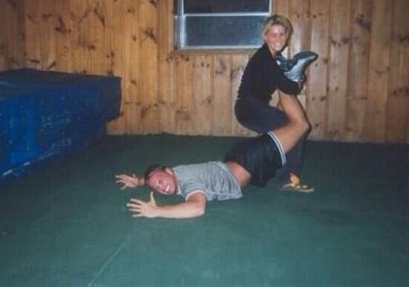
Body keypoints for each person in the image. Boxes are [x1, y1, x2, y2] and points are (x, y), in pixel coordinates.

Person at [116, 89, 310, 219]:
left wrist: (158, 211)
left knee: (300, 125)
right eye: (157, 188)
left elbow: (197, 208)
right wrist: (140, 181)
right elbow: (156, 178)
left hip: (251, 159)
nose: (162, 188)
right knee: (281, 125)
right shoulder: (176, 173)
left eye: (160, 181)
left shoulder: (187, 182)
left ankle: (284, 80)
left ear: (169, 171)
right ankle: (286, 84)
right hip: (239, 160)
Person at [234, 14, 315, 192]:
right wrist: (298, 82)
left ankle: (269, 169)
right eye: (273, 34)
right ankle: (287, 179)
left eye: (281, 34)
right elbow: (287, 87)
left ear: (286, 36)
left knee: (288, 129)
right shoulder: (265, 58)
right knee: (296, 128)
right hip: (249, 108)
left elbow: (283, 84)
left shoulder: (271, 58)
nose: (278, 38)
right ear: (265, 36)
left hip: (253, 108)